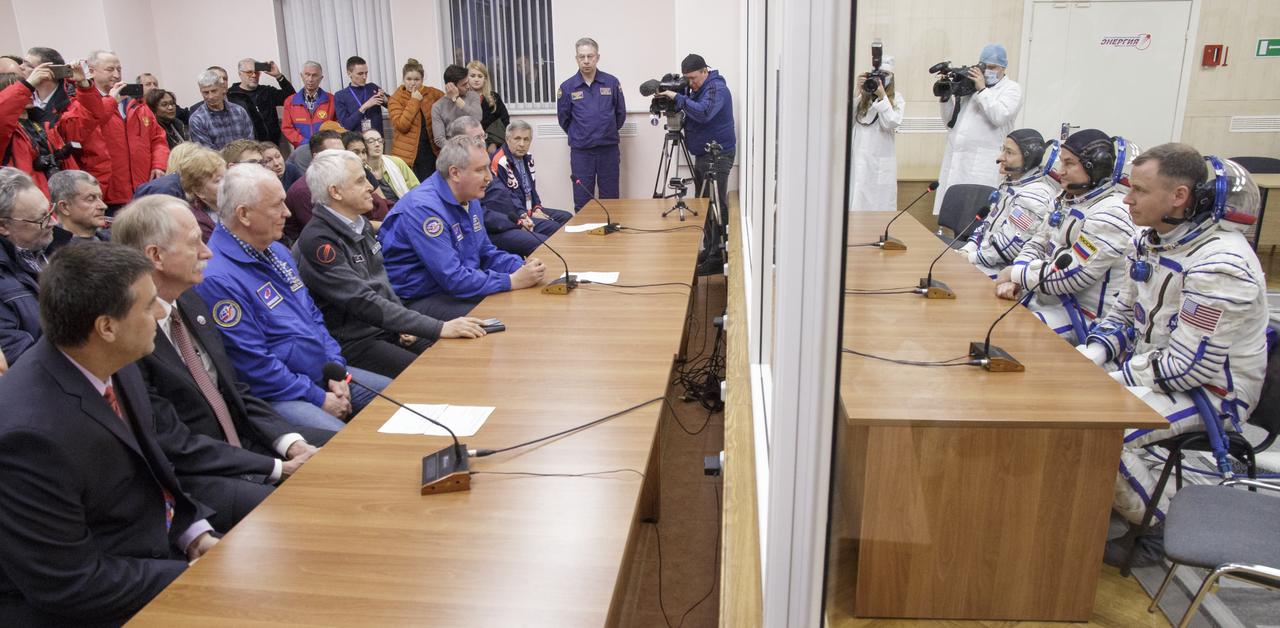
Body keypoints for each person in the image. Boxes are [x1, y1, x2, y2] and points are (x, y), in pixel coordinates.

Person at [0, 242, 216, 625]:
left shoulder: (116, 361)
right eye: (149, 306)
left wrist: (194, 534)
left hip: (147, 558)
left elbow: (154, 469)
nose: (160, 314)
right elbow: (68, 583)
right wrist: (193, 577)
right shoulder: (26, 437)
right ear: (107, 327)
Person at [1074, 145, 1269, 565]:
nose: (1127, 199)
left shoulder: (1221, 265)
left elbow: (1187, 368)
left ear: (1178, 197)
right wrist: (1092, 353)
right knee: (1066, 399)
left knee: (1099, 430)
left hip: (1212, 391)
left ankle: (1163, 524)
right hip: (1158, 369)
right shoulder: (1152, 241)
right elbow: (1124, 315)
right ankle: (1096, 501)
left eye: (1140, 191)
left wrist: (1113, 378)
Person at [114, 195, 331, 531]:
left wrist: (290, 443)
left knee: (348, 449)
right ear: (155, 256)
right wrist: (276, 468)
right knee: (308, 510)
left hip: (243, 446)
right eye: (194, 243)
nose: (207, 252)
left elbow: (235, 391)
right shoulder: (130, 337)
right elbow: (175, 443)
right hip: (199, 476)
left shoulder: (190, 300)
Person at [194, 163, 391, 431]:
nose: (287, 213)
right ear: (244, 214)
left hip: (323, 374)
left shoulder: (278, 252)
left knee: (402, 400)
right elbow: (253, 364)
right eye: (277, 206)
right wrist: (317, 396)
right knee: (342, 444)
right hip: (281, 395)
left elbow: (313, 317)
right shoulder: (218, 278)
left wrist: (335, 368)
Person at [294, 150, 487, 377]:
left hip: (385, 327)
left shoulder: (358, 223)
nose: (370, 186)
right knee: (431, 375)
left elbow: (381, 280)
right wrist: (437, 327)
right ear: (335, 192)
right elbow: (362, 301)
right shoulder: (319, 241)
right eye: (360, 181)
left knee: (461, 355)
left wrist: (406, 324)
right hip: (356, 340)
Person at [995, 130, 1138, 343]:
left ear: (1094, 167)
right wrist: (1017, 276)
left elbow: (1072, 276)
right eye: (1061, 163)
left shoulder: (1111, 214)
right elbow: (1037, 242)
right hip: (1046, 299)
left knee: (1009, 334)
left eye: (1069, 164)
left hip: (1084, 317)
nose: (1060, 172)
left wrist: (1016, 274)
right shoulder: (1065, 199)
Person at [380, 136, 546, 319]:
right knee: (501, 314)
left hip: (455, 287)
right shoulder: (424, 210)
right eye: (480, 170)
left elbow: (485, 253)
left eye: (487, 168)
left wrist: (521, 267)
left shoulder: (469, 198)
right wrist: (510, 280)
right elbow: (452, 278)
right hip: (421, 298)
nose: (489, 178)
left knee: (524, 302)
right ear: (455, 173)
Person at [933, 43, 1023, 215]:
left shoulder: (1011, 89)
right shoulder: (971, 88)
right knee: (954, 214)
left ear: (1003, 68)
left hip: (983, 166)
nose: (987, 71)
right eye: (984, 66)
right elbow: (950, 123)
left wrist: (982, 89)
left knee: (976, 216)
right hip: (957, 163)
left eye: (992, 67)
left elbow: (1000, 116)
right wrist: (946, 98)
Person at [960, 129, 1060, 277]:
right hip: (984, 259)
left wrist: (970, 258)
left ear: (1028, 158)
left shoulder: (1035, 195)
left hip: (1002, 272)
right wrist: (967, 249)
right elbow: (987, 225)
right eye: (1003, 150)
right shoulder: (1011, 183)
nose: (1000, 157)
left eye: (1009, 152)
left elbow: (1009, 247)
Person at [88, 49, 169, 211]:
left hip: (144, 189)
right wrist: (110, 101)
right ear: (92, 72)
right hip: (109, 193)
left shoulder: (138, 104)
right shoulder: (87, 104)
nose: (117, 75)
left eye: (119, 69)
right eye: (110, 70)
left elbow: (158, 139)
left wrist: (159, 165)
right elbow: (86, 130)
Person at [283, 130, 391, 245]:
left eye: (343, 153)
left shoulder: (344, 177)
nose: (343, 158)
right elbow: (329, 233)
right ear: (317, 157)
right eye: (335, 154)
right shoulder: (304, 190)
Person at [482, 120, 572, 256]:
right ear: (507, 139)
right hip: (515, 213)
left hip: (529, 209)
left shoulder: (527, 157)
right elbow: (506, 198)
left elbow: (531, 189)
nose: (522, 144)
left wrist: (538, 208)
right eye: (517, 139)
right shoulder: (500, 161)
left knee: (567, 217)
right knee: (554, 228)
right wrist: (528, 214)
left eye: (526, 139)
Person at [557, 37, 626, 210]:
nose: (586, 61)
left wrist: (605, 131)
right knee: (582, 200)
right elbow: (563, 119)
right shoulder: (567, 87)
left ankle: (611, 233)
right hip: (582, 153)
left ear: (597, 57)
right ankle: (583, 236)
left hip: (607, 150)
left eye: (590, 56)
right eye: (582, 57)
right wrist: (581, 134)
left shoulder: (611, 82)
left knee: (610, 199)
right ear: (576, 59)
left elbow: (620, 114)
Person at [0, 68, 83, 196]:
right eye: (23, 89)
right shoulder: (6, 132)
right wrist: (27, 85)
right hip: (26, 203)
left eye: (31, 87)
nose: (30, 92)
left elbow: (91, 119)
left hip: (61, 199)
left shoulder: (45, 124)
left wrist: (85, 86)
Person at [0, 168, 52, 364]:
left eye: (50, 211)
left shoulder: (58, 248)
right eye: (41, 219)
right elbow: (19, 356)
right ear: (3, 226)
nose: (53, 222)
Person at [849, 56, 904, 211]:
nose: (878, 81)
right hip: (859, 163)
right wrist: (857, 92)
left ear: (890, 79)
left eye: (883, 76)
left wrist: (882, 97)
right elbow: (846, 123)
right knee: (856, 203)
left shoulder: (896, 99)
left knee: (879, 207)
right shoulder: (861, 98)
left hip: (880, 165)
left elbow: (891, 123)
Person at [388, 58, 445, 181]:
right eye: (409, 79)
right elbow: (402, 126)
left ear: (422, 80)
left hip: (431, 152)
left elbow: (447, 104)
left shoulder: (432, 93)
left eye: (416, 79)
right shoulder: (396, 98)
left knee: (432, 186)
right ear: (403, 79)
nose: (413, 83)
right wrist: (414, 101)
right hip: (408, 156)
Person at [229, 58, 295, 146]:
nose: (253, 75)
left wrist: (279, 76)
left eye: (257, 72)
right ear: (240, 74)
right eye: (249, 72)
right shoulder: (231, 95)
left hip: (271, 145)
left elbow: (292, 99)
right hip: (246, 148)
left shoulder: (267, 91)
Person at [188, 69, 255, 150]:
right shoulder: (197, 119)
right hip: (216, 162)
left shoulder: (239, 111)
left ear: (222, 89)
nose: (210, 96)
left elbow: (250, 143)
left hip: (244, 160)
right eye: (206, 93)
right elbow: (207, 153)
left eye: (214, 91)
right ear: (201, 92)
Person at [281, 61, 336, 148]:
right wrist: (305, 143)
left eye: (314, 75)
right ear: (302, 76)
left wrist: (325, 144)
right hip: (302, 149)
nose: (310, 79)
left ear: (321, 78)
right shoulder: (290, 101)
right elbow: (287, 128)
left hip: (326, 149)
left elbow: (337, 126)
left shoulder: (332, 99)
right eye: (307, 74)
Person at [49, 169, 109, 242]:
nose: (103, 206)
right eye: (90, 199)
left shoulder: (115, 242)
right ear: (64, 207)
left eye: (100, 198)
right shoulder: (51, 251)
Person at [431, 64, 482, 151]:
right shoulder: (437, 107)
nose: (468, 86)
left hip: (475, 147)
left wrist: (457, 99)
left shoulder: (473, 96)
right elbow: (439, 139)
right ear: (451, 86)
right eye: (464, 84)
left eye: (467, 82)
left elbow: (477, 118)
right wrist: (458, 150)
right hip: (453, 153)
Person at [334, 55, 386, 136]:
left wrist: (385, 99)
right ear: (349, 73)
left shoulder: (373, 87)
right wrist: (364, 107)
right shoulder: (340, 96)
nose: (364, 77)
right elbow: (346, 126)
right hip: (356, 144)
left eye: (366, 73)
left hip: (377, 141)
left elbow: (392, 106)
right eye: (360, 74)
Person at [363, 128, 418, 202]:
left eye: (380, 141)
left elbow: (416, 188)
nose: (377, 144)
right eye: (371, 141)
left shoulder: (396, 162)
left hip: (404, 207)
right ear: (363, 146)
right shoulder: (361, 170)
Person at [467, 61, 509, 153]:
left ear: (485, 79)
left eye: (480, 76)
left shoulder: (494, 97)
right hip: (469, 144)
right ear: (467, 78)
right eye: (472, 76)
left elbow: (504, 120)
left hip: (492, 145)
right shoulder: (462, 99)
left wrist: (493, 142)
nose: (476, 79)